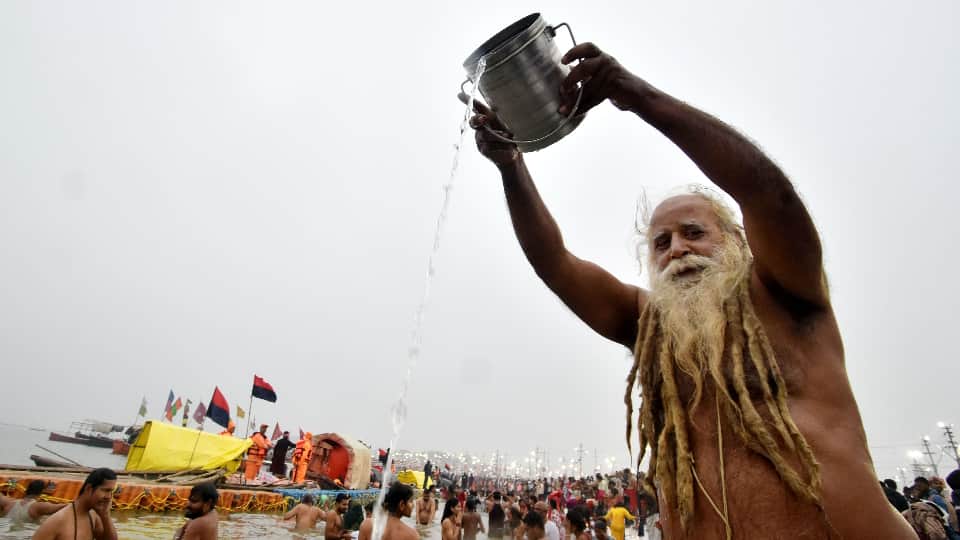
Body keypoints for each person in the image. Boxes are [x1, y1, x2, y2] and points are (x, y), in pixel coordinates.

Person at [464, 39, 916, 540]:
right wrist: (511, 165)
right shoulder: (649, 322)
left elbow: (765, 190)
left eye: (695, 233)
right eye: (661, 243)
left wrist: (635, 95)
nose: (677, 249)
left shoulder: (787, 293)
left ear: (740, 243)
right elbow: (555, 263)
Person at [32, 467, 118, 540]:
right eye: (106, 490)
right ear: (88, 488)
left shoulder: (94, 516)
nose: (109, 497)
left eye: (111, 492)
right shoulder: (57, 522)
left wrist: (106, 516)